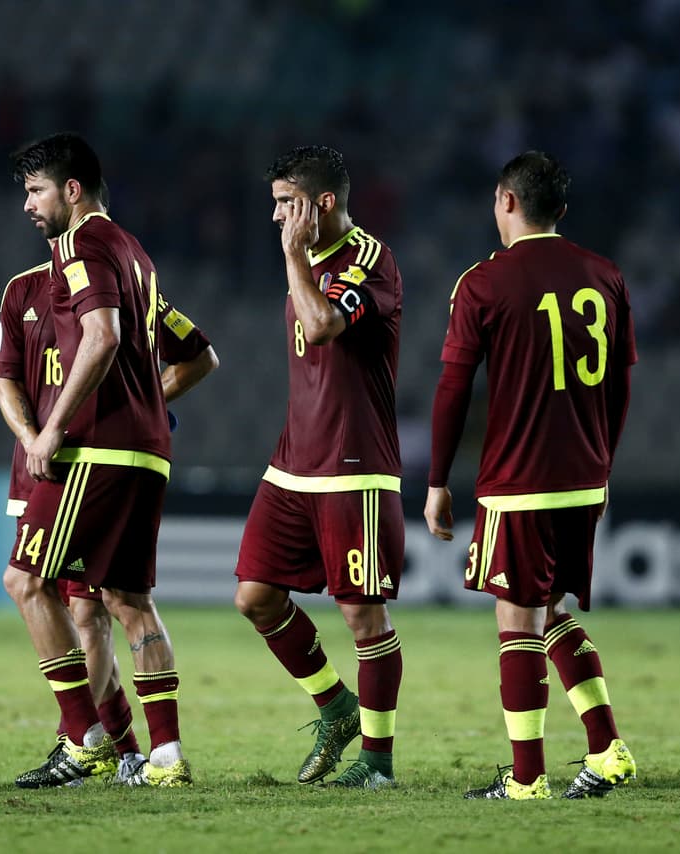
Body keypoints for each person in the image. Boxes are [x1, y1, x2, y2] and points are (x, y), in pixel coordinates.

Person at [425, 151, 638, 801]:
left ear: (506, 201)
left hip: (521, 477)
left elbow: (453, 389)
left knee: (516, 621)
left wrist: (437, 480)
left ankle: (526, 779)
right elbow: (622, 383)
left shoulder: (484, 283)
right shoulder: (605, 275)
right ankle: (606, 748)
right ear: (562, 212)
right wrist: (603, 462)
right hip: (583, 474)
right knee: (550, 611)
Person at [0, 225, 217, 787]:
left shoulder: (121, 286)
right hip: (44, 466)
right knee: (103, 603)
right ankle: (140, 753)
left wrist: (140, 401)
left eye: (36, 192)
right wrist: (30, 437)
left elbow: (198, 356)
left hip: (88, 457)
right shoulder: (23, 291)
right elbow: (7, 381)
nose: (27, 207)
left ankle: (88, 743)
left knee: (78, 605)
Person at [233, 145, 404, 790]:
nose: (275, 216)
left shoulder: (369, 259)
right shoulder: (306, 259)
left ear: (321, 203)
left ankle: (378, 762)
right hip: (294, 461)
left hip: (353, 463)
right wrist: (297, 258)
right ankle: (336, 707)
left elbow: (323, 322)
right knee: (254, 596)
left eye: (285, 203)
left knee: (363, 616)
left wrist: (292, 258)